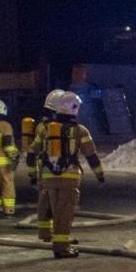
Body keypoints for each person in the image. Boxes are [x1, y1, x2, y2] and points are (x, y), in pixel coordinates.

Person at [31, 91, 105, 259]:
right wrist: (100, 175)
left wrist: (34, 175)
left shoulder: (45, 129)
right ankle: (61, 248)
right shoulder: (80, 131)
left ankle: (51, 237)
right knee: (64, 212)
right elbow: (91, 156)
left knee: (53, 209)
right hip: (69, 178)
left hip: (48, 177)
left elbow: (32, 151)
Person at [24, 90, 64, 243]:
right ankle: (60, 238)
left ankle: (45, 233)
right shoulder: (64, 127)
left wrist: (33, 175)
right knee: (59, 202)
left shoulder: (42, 126)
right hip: (59, 169)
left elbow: (32, 151)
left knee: (45, 201)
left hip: (44, 169)